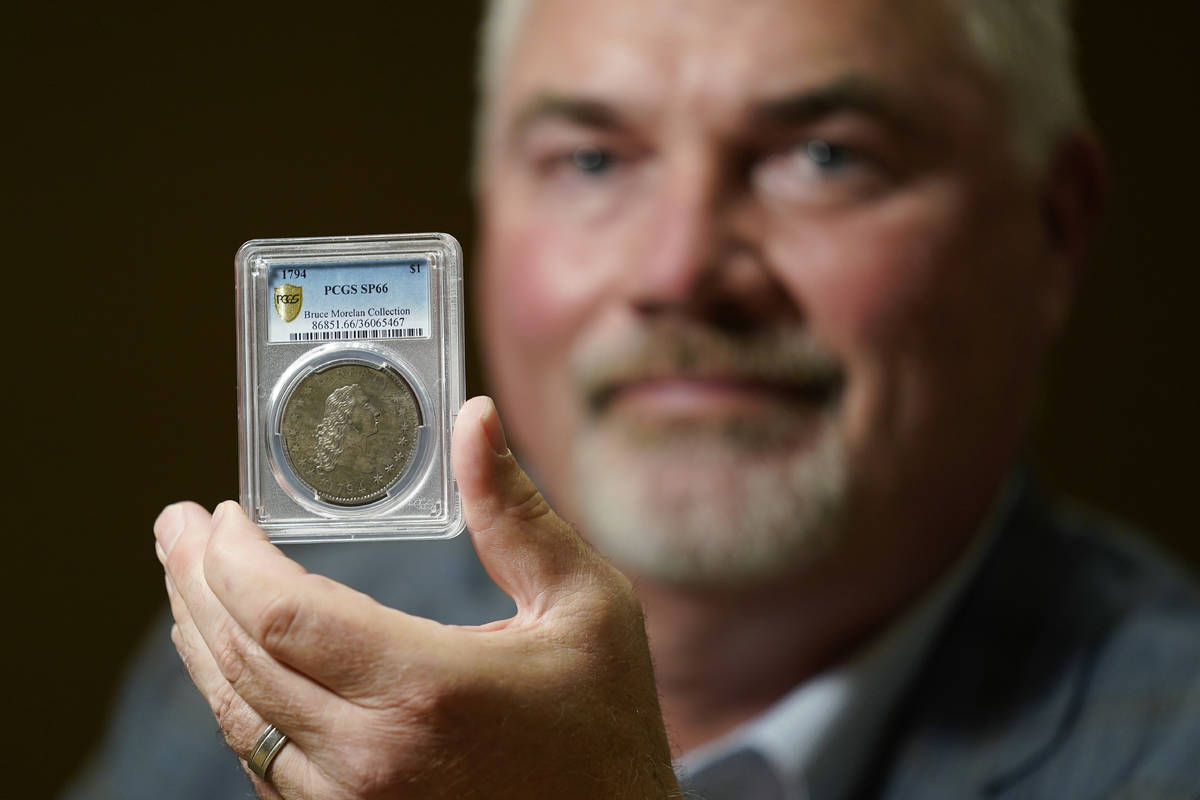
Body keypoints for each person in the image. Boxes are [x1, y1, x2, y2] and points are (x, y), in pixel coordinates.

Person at [66, 0, 1200, 798]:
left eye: (825, 155)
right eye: (593, 161)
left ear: (1054, 227)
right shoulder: (270, 652)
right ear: (489, 211)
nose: (680, 268)